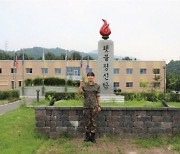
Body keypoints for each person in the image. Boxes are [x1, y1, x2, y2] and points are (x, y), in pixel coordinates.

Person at [78, 72, 101, 143]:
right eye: (89, 76)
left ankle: (93, 137)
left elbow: (98, 96)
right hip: (86, 106)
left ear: (93, 77)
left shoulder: (97, 86)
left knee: (94, 122)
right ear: (87, 77)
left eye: (91, 76)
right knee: (87, 122)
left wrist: (99, 105)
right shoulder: (84, 85)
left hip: (94, 106)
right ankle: (87, 137)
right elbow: (79, 92)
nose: (90, 77)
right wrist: (81, 84)